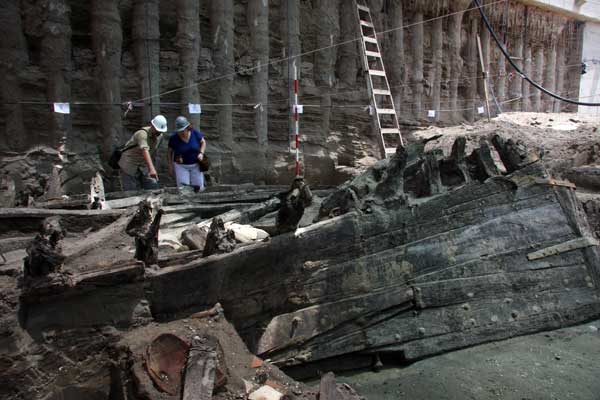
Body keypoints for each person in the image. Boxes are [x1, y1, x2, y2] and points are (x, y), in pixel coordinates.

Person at [118, 115, 168, 191]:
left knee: (153, 188)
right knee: (130, 192)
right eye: (157, 130)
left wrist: (151, 168)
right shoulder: (142, 134)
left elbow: (153, 152)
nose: (158, 133)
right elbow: (145, 150)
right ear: (152, 126)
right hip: (129, 164)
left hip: (143, 165)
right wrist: (152, 169)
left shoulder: (160, 137)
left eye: (160, 131)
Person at [167, 116, 207, 190]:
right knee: (183, 189)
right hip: (181, 166)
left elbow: (203, 142)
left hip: (196, 165)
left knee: (199, 187)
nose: (180, 133)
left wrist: (201, 153)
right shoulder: (173, 138)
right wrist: (170, 165)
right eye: (179, 131)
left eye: (182, 131)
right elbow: (169, 152)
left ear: (187, 128)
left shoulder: (195, 133)